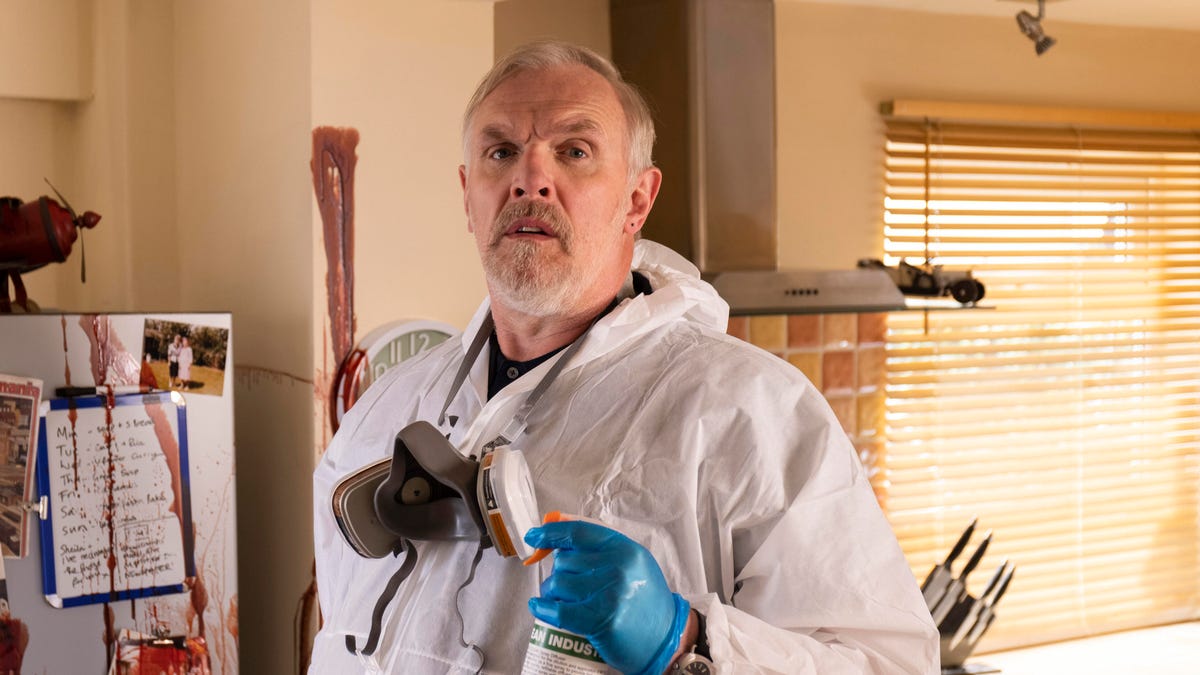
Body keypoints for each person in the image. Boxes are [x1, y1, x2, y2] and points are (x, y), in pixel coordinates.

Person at [311, 41, 938, 674]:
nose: (530, 177)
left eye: (574, 152)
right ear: (468, 193)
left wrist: (686, 642)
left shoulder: (751, 413)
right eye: (500, 152)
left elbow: (884, 662)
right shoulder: (385, 412)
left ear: (636, 202)